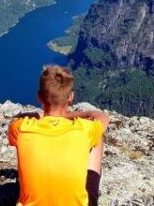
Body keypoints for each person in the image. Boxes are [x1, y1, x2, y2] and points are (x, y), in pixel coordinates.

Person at [8, 65, 110, 206]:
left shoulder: (20, 128)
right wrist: (69, 115)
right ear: (71, 97)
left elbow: (13, 122)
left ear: (39, 97)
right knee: (97, 136)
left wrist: (40, 116)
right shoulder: (84, 128)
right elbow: (102, 117)